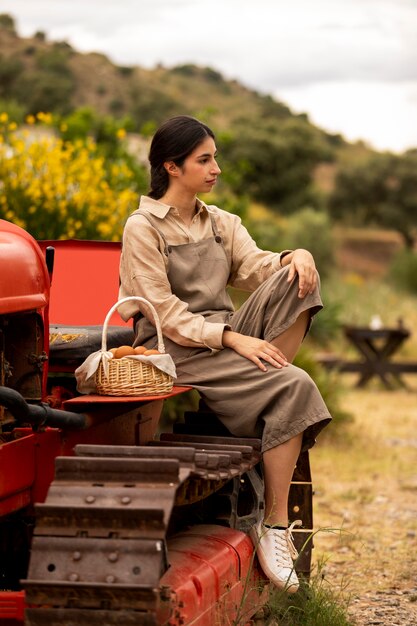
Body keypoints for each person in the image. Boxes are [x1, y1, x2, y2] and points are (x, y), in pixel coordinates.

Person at [118, 115, 332, 593]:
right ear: (172, 167)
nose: (216, 168)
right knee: (293, 384)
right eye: (204, 159)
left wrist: (294, 255)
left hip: (229, 338)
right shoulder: (143, 228)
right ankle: (275, 526)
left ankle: (263, 388)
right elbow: (164, 313)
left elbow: (256, 268)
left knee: (299, 279)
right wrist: (231, 340)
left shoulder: (219, 223)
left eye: (214, 157)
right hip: (178, 349)